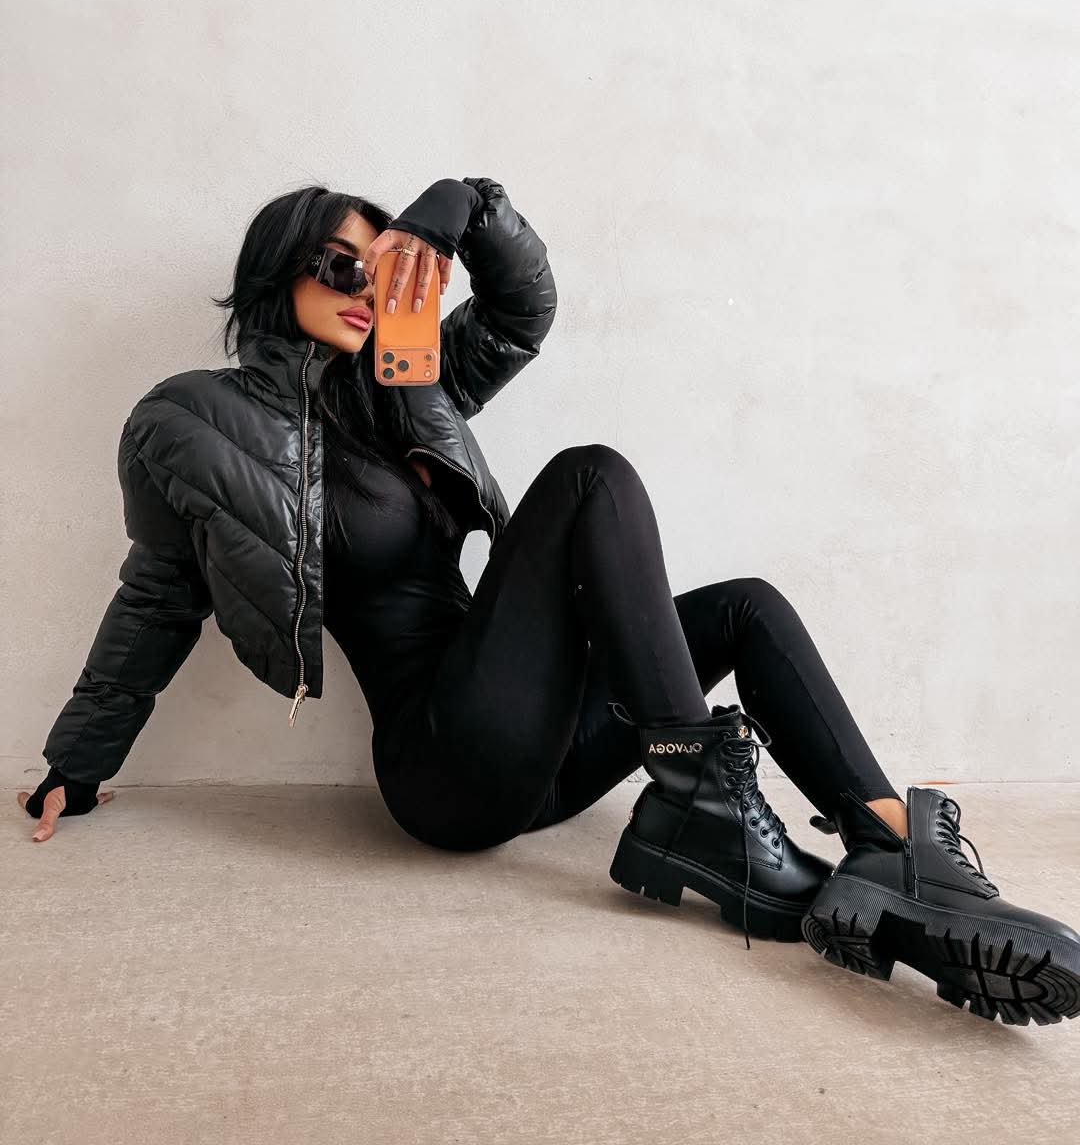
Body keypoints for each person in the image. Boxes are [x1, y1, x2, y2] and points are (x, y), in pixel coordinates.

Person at [19, 175, 1080, 1029]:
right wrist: (79, 761)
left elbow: (522, 310)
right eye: (340, 263)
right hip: (445, 767)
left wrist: (458, 208)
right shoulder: (190, 423)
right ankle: (702, 805)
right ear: (275, 270)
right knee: (589, 477)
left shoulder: (409, 386)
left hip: (544, 753)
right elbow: (156, 597)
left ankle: (887, 845)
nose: (364, 285)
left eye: (379, 266)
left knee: (746, 607)